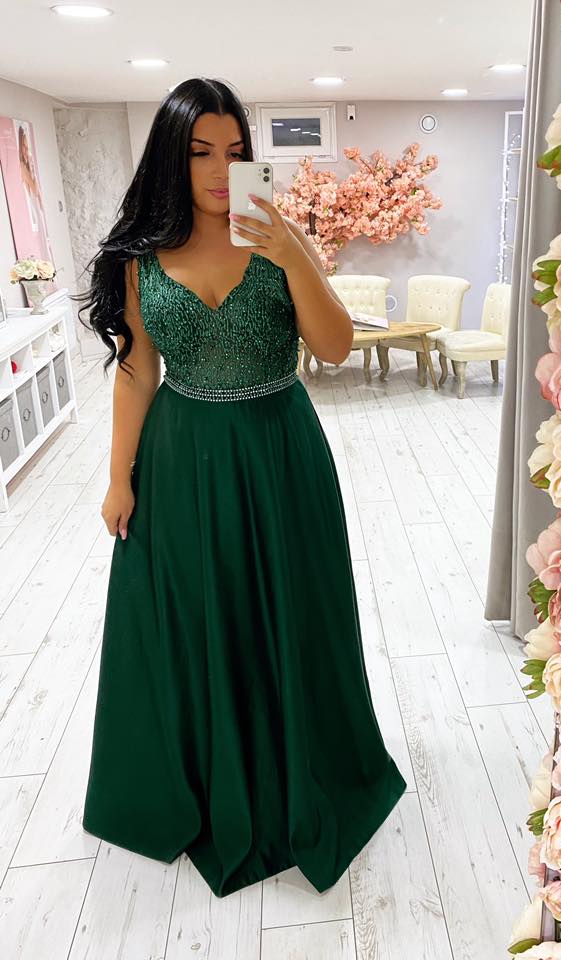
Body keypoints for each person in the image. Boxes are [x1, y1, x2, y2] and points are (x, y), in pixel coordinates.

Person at [76, 77, 407, 898]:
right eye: (201, 153)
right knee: (199, 617)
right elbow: (136, 371)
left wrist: (293, 254)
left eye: (235, 152)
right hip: (182, 458)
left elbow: (334, 348)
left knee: (295, 611)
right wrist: (119, 477)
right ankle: (207, 777)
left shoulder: (278, 240)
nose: (222, 171)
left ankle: (304, 772)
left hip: (280, 452)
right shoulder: (140, 259)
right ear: (171, 159)